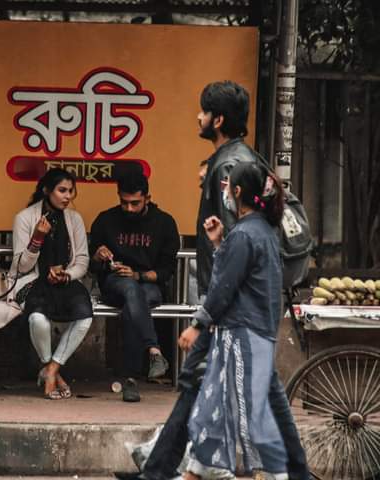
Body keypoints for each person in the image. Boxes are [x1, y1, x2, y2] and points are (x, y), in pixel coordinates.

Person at [140, 81, 309, 479]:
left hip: (236, 315)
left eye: (202, 112)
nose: (197, 118)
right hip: (242, 315)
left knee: (203, 381)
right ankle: (165, 468)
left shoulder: (229, 167)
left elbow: (238, 251)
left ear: (217, 119)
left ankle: (167, 469)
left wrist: (205, 317)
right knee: (211, 385)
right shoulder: (243, 157)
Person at [179, 162, 288, 479]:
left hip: (243, 335)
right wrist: (218, 242)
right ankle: (195, 472)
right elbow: (237, 274)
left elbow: (224, 287)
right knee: (213, 408)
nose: (223, 193)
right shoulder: (260, 231)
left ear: (237, 192)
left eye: (227, 187)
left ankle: (273, 473)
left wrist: (196, 325)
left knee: (248, 414)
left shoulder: (245, 234)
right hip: (250, 333)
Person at [89, 167, 179, 402]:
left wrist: (137, 275)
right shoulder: (105, 220)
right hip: (114, 284)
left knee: (133, 300)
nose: (129, 208)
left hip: (147, 286)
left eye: (135, 203)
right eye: (124, 202)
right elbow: (91, 265)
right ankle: (153, 349)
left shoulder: (165, 223)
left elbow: (166, 271)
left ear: (147, 198)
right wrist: (98, 256)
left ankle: (129, 379)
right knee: (130, 290)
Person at [7, 168, 93, 400]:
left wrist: (67, 275)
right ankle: (49, 368)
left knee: (85, 317)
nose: (67, 196)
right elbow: (21, 267)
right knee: (37, 320)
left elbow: (83, 260)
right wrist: (37, 239)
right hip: (35, 283)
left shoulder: (74, 219)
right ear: (47, 190)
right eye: (61, 190)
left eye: (70, 191)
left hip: (65, 282)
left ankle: (52, 369)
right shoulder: (25, 218)